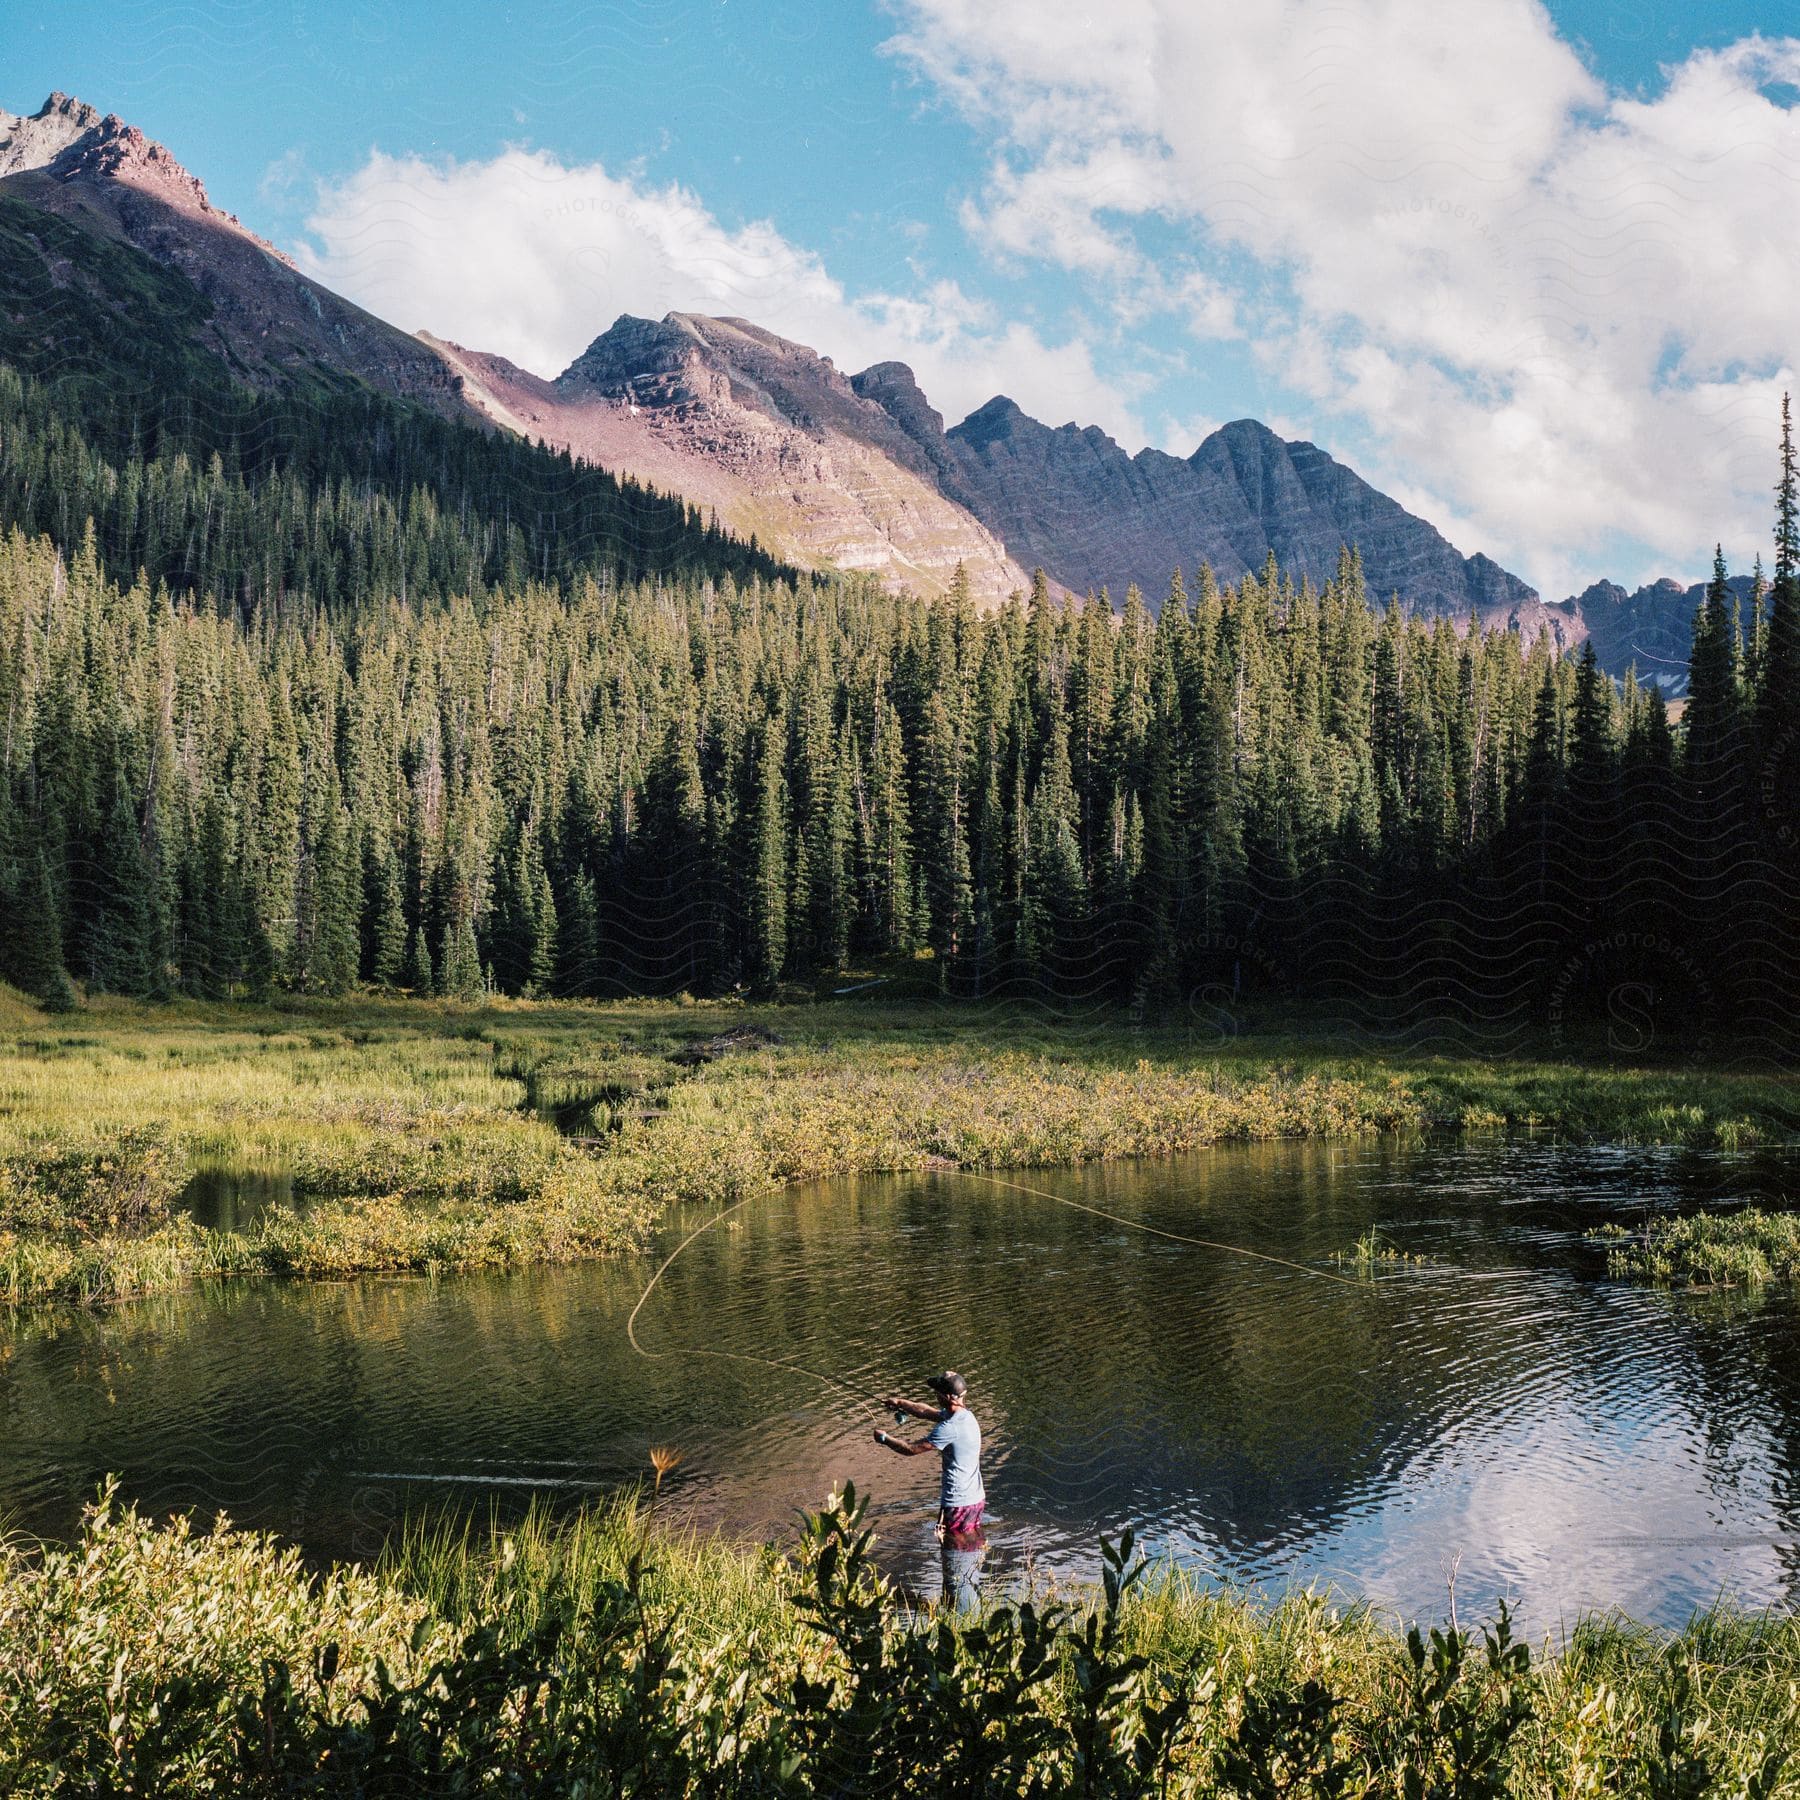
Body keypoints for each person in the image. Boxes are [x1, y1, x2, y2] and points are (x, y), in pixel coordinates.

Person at [874, 1369, 985, 1539]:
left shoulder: (949, 1428)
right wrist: (900, 1403)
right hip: (975, 1498)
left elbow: (911, 1449)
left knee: (951, 1549)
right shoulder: (966, 1416)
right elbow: (925, 1412)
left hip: (956, 1502)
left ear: (948, 1397)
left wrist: (884, 1438)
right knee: (972, 1541)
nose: (935, 1395)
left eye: (937, 1392)